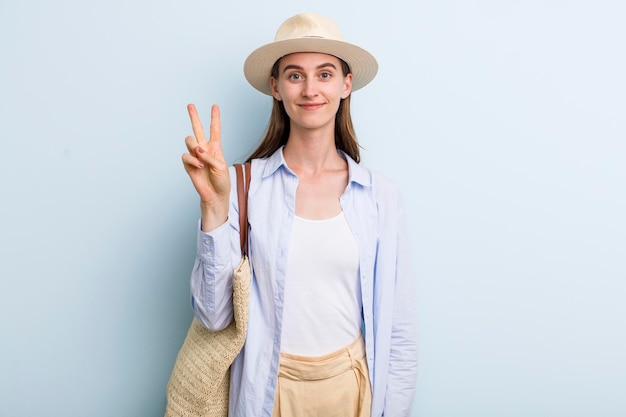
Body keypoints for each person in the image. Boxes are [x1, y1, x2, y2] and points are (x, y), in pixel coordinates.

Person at [181, 12, 418, 417]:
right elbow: (215, 316)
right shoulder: (243, 185)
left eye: (325, 74)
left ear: (346, 84)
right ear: (275, 87)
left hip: (350, 389)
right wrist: (214, 207)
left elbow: (399, 335)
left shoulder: (380, 196)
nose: (310, 89)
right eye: (295, 75)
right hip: (266, 392)